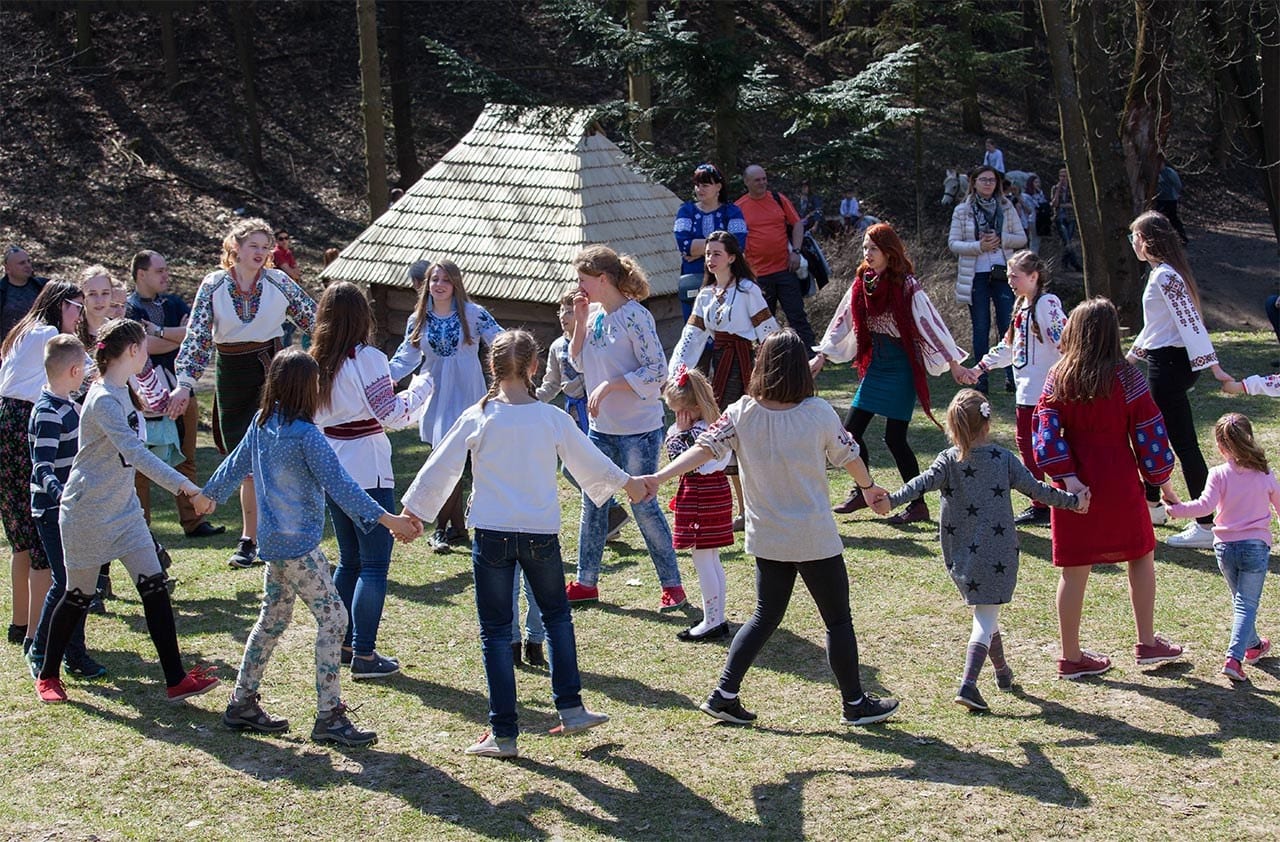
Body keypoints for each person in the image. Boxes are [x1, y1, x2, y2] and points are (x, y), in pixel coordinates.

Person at [641, 329, 899, 728]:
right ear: (802, 370)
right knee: (837, 621)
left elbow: (704, 448)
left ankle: (724, 695)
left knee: (764, 617)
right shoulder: (818, 413)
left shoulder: (742, 412)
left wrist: (659, 476)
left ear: (761, 365)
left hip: (768, 537)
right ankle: (854, 704)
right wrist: (869, 489)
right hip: (813, 537)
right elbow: (849, 455)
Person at [402, 330, 633, 759]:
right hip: (540, 533)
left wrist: (414, 514)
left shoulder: (479, 416)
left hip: (491, 534)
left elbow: (441, 468)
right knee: (558, 618)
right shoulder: (551, 418)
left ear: (493, 367)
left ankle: (503, 734)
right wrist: (629, 484)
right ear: (533, 368)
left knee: (495, 632)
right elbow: (590, 460)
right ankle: (571, 707)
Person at [205, 349, 420, 745]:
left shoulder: (263, 421)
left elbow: (235, 464)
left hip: (273, 546)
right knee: (335, 620)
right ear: (305, 388)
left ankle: (241, 703)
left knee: (271, 621)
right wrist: (389, 520)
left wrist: (208, 496)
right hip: (300, 548)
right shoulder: (307, 436)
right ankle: (329, 716)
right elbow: (343, 485)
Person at [34, 319, 220, 704]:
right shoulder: (103, 399)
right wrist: (188, 488)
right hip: (88, 512)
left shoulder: (122, 388)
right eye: (144, 345)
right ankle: (48, 674)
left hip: (125, 511)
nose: (149, 351)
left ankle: (176, 680)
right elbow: (135, 455)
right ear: (133, 350)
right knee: (78, 595)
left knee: (154, 587)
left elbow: (146, 423)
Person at [879, 389, 1086, 711]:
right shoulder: (1002, 459)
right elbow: (1039, 491)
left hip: (959, 553)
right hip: (998, 553)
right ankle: (969, 684)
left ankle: (1003, 672)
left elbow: (918, 484)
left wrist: (890, 500)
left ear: (952, 426)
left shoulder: (947, 461)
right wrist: (1075, 502)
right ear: (987, 425)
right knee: (986, 617)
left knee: (986, 613)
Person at [1033, 297, 1185, 680]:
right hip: (1118, 479)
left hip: (1073, 487)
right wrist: (1163, 483)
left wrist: (1067, 478)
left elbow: (1045, 435)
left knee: (1073, 569)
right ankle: (1147, 642)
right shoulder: (1128, 378)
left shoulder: (1058, 376)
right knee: (1141, 555)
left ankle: (1070, 655)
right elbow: (1151, 435)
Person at [171, 218, 317, 569]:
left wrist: (327, 360)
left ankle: (271, 535)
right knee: (243, 461)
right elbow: (197, 338)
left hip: (272, 371)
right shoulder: (214, 284)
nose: (261, 253)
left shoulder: (279, 282)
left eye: (266, 247)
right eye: (254, 245)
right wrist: (185, 384)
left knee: (276, 456)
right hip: (231, 374)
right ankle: (250, 539)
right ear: (235, 246)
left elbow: (314, 319)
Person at [310, 282, 431, 679]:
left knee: (350, 561)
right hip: (368, 467)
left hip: (333, 467)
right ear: (363, 317)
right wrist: (423, 389)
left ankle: (343, 644)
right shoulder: (369, 359)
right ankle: (364, 654)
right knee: (375, 565)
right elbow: (391, 414)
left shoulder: (316, 361)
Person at [813, 223, 968, 524]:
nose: (867, 254)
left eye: (873, 248)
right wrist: (822, 355)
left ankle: (918, 504)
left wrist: (953, 362)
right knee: (850, 432)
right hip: (876, 366)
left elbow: (930, 324)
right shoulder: (863, 282)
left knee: (895, 438)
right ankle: (862, 489)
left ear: (888, 251)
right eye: (865, 249)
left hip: (901, 367)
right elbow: (843, 318)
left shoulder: (906, 285)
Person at [563, 245, 685, 611]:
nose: (578, 286)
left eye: (583, 279)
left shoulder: (636, 316)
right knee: (593, 502)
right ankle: (586, 583)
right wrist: (581, 321)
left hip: (639, 430)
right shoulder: (596, 315)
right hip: (602, 429)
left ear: (603, 279)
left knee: (643, 505)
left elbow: (657, 371)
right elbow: (578, 363)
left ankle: (673, 586)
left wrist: (611, 385)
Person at [1126, 210, 1234, 548]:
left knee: (1181, 443)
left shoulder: (1164, 277)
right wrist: (1129, 359)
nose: (1133, 243)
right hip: (1166, 361)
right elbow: (1157, 327)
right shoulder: (1162, 274)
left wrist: (1214, 368)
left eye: (1135, 237)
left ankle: (1204, 524)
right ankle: (1154, 505)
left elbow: (1190, 324)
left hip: (1170, 366)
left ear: (1145, 240)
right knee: (1152, 433)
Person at [387, 260, 502, 552]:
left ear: (456, 284)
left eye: (446, 280)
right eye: (434, 279)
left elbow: (501, 343)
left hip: (467, 394)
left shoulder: (473, 314)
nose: (439, 285)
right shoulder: (419, 319)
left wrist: (509, 374)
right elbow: (405, 359)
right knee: (441, 460)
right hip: (435, 395)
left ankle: (443, 529)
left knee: (459, 461)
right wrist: (379, 379)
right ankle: (454, 530)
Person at [668, 230, 779, 527]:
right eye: (707, 253)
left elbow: (769, 333)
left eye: (717, 253)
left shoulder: (747, 291)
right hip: (720, 366)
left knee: (746, 435)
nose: (710, 259)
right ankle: (744, 511)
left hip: (745, 367)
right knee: (725, 435)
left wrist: (774, 371)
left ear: (731, 257)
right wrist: (677, 371)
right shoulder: (705, 295)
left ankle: (760, 508)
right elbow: (691, 337)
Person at [1163, 413, 1278, 681]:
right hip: (1255, 547)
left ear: (1220, 446)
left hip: (1224, 549)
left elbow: (1204, 506)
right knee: (1246, 603)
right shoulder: (1264, 473)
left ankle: (1253, 646)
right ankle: (1233, 659)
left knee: (1241, 601)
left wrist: (1177, 510)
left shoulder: (1218, 474)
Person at [0, 281, 83, 649]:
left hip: (8, 422)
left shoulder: (25, 328)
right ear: (60, 305)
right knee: (38, 542)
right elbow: (80, 370)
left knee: (20, 539)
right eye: (76, 307)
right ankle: (37, 634)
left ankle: (20, 626)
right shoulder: (48, 333)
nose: (79, 315)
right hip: (24, 426)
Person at [25, 335, 107, 681]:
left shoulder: (70, 406)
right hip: (52, 512)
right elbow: (41, 466)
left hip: (74, 510)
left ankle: (74, 654)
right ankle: (42, 649)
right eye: (85, 367)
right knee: (67, 584)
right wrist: (61, 494)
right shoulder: (47, 413)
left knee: (79, 584)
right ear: (74, 371)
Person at [126, 250, 224, 539]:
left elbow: (194, 335)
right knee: (142, 464)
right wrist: (172, 337)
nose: (166, 276)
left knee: (186, 457)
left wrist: (158, 332)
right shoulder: (130, 309)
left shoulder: (175, 302)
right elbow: (143, 347)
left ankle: (193, 522)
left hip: (182, 387)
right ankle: (140, 529)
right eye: (160, 271)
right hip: (145, 395)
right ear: (141, 274)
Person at [966, 251, 1067, 525]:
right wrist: (980, 367)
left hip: (1048, 393)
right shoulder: (1021, 307)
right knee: (1027, 448)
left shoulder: (1047, 304)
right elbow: (1009, 348)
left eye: (1015, 275)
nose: (1009, 280)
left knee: (1048, 448)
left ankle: (1062, 501)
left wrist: (1068, 378)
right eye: (1008, 275)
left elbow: (1066, 342)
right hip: (1025, 393)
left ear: (1034, 276)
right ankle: (1041, 504)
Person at [535, 292, 629, 540]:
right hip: (574, 414)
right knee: (573, 468)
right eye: (561, 312)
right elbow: (552, 384)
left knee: (582, 466)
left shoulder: (591, 341)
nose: (564, 317)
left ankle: (611, 511)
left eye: (569, 311)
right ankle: (612, 515)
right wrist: (530, 400)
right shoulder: (557, 347)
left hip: (596, 409)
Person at [662, 366, 733, 642]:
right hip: (717, 490)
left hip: (700, 495)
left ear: (689, 409)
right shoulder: (716, 426)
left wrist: (678, 432)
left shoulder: (693, 435)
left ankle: (712, 621)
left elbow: (680, 462)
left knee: (703, 558)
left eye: (677, 412)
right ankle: (716, 616)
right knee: (711, 557)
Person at [949, 164, 1027, 395]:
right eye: (983, 180)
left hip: (1003, 273)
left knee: (1008, 325)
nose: (988, 184)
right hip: (975, 275)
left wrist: (1001, 239)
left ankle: (1012, 377)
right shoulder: (962, 210)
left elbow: (1021, 237)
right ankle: (980, 378)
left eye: (992, 180)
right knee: (981, 327)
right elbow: (953, 243)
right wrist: (978, 246)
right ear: (973, 182)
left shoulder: (1006, 206)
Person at [736, 164, 816, 351]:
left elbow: (797, 224)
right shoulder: (738, 208)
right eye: (757, 180)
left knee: (797, 316)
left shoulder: (778, 199)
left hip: (785, 269)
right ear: (747, 182)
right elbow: (733, 241)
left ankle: (811, 357)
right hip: (757, 276)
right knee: (763, 321)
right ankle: (767, 361)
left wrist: (795, 252)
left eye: (764, 178)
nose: (762, 183)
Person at [673, 163, 748, 321]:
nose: (700, 189)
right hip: (693, 282)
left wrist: (700, 249)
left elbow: (737, 245)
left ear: (718, 187)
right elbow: (684, 245)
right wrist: (719, 248)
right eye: (697, 185)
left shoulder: (732, 212)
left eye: (705, 185)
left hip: (726, 280)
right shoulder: (686, 211)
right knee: (695, 327)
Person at [1, 245, 48, 343]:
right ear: (8, 269)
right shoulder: (2, 291)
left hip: (37, 345)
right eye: (22, 263)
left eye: (28, 261)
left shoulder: (42, 286)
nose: (27, 265)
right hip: (7, 349)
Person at [1050, 168, 1081, 271]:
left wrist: (1063, 205)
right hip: (1060, 217)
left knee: (1067, 241)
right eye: (1061, 176)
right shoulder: (1055, 188)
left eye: (1065, 176)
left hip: (1070, 217)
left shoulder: (1073, 189)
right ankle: (1075, 264)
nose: (1063, 178)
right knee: (1066, 240)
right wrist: (1058, 190)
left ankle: (1065, 264)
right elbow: (1054, 203)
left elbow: (1074, 204)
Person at [1154, 158, 1188, 245]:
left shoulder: (1169, 172)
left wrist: (1174, 194)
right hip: (1159, 199)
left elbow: (1178, 184)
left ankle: (1182, 237)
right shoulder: (1155, 172)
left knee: (1172, 218)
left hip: (1170, 199)